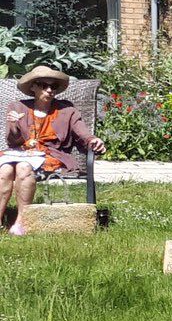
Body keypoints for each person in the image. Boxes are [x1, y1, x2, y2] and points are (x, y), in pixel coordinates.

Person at [1, 65, 103, 235]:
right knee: (4, 169)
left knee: (23, 167)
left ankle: (21, 222)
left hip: (49, 155)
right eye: (43, 85)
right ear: (33, 87)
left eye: (53, 86)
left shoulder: (67, 111)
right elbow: (12, 141)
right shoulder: (17, 107)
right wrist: (13, 126)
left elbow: (82, 133)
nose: (49, 90)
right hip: (20, 152)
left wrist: (93, 140)